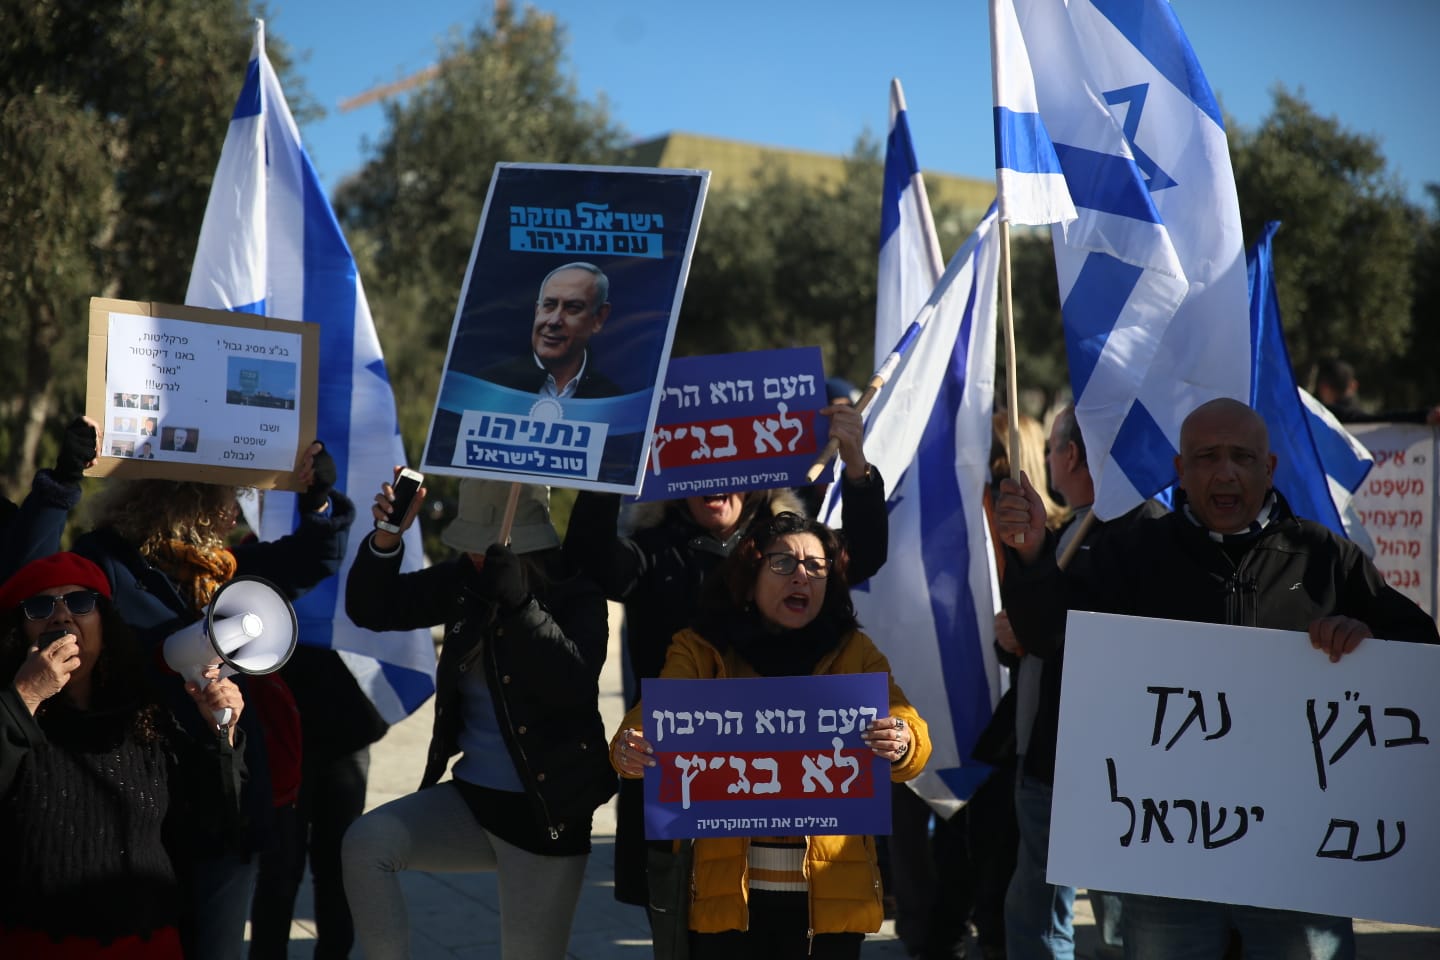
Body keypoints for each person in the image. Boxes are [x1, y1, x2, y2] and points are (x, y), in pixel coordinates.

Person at [996, 397, 1440, 960]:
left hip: (1296, 868)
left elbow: (1419, 647)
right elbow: (1050, 634)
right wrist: (1032, 555)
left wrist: (1367, 639)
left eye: (1241, 457)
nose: (1225, 471)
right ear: (1181, 470)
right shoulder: (1135, 554)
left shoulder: (1323, 557)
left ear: (1268, 468)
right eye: (1206, 457)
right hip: (1169, 865)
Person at [0, 419, 355, 960]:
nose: (234, 516)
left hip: (220, 800)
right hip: (140, 799)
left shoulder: (226, 570)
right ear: (186, 504)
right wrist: (62, 482)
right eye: (224, 501)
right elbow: (32, 576)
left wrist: (319, 499)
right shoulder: (109, 561)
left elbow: (316, 557)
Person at [563, 400, 888, 932]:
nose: (715, 479)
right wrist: (608, 467)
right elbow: (590, 561)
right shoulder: (651, 551)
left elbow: (864, 555)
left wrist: (855, 464)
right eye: (699, 464)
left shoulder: (792, 546)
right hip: (682, 798)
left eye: (729, 465)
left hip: (788, 796)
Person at [611, 511, 930, 959]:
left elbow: (907, 725)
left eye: (816, 567)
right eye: (783, 563)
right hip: (727, 900)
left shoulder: (855, 651)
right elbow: (652, 718)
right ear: (750, 578)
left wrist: (902, 740)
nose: (802, 576)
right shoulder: (700, 648)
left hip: (830, 899)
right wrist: (630, 744)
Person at [342, 475, 616, 959]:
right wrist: (388, 537)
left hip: (545, 815)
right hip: (471, 802)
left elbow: (573, 684)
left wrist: (521, 606)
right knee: (366, 844)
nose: (474, 555)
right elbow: (372, 608)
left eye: (485, 547)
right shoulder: (466, 579)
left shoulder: (576, 587)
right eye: (468, 544)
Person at [0, 552, 246, 957]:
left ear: (106, 624)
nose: (62, 617)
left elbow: (214, 823)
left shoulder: (145, 715)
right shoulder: (10, 710)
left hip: (147, 943)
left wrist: (222, 735)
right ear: (18, 631)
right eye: (40, 606)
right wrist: (24, 698)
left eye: (80, 602)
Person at [481, 261, 624, 398]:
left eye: (572, 308)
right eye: (549, 305)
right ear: (537, 311)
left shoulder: (611, 401)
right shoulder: (488, 386)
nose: (554, 321)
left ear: (599, 317)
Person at [1314, 357, 1440, 425]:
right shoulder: (1345, 415)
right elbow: (1379, 420)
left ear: (1324, 387)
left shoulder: (1320, 417)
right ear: (1353, 385)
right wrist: (1423, 416)